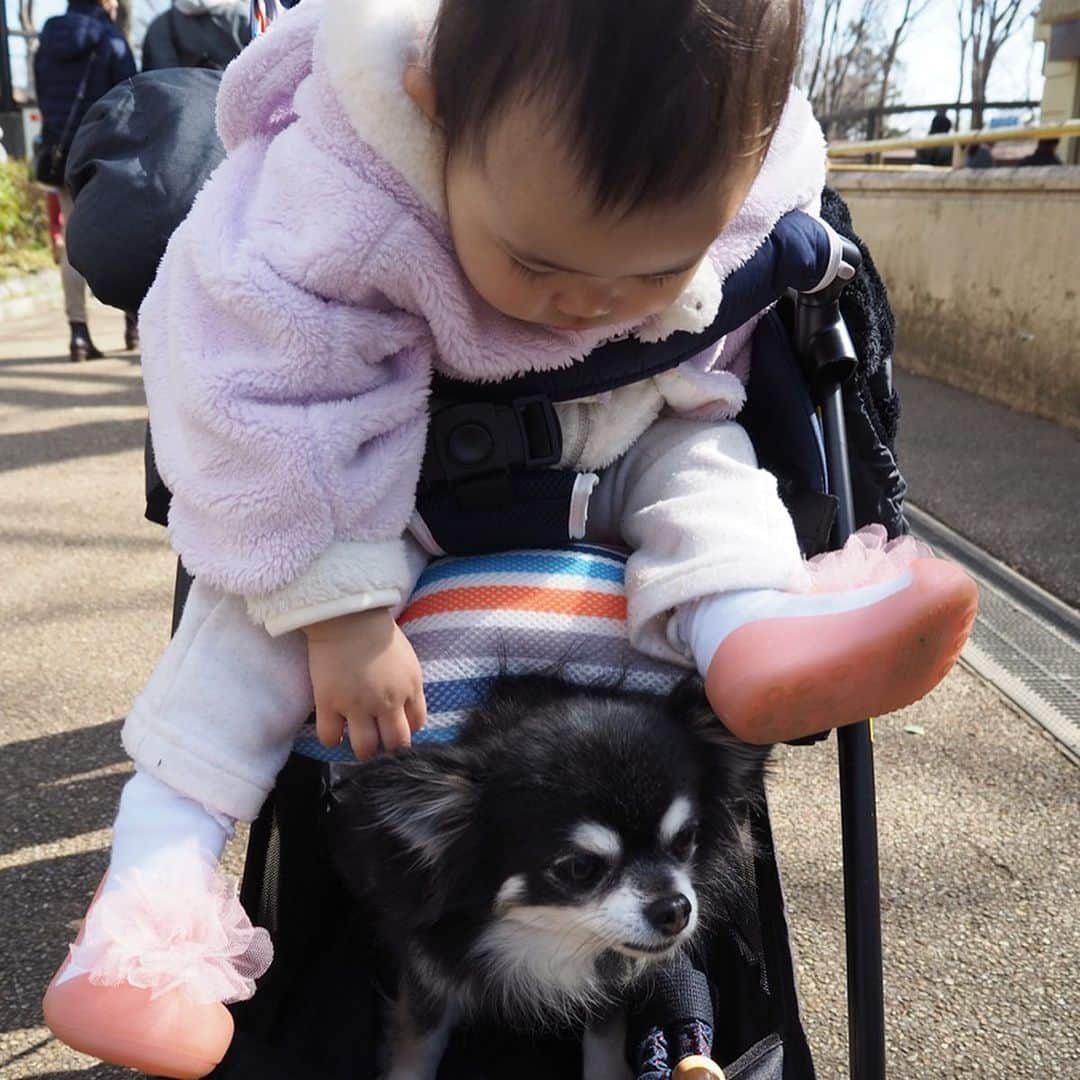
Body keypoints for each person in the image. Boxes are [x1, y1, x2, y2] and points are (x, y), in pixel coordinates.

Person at [43, 1, 976, 1075]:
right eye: (540, 266)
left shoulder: (751, 173)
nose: (587, 310)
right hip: (373, 485)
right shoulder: (330, 194)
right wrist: (338, 608)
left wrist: (655, 304)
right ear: (434, 110)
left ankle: (760, 632)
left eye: (651, 275)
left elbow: (723, 365)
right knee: (239, 622)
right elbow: (245, 399)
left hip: (634, 444)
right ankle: (149, 918)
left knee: (713, 474)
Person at [33, 0, 135, 362]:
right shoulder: (111, 40)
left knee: (72, 241)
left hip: (62, 156)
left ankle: (78, 333)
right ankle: (133, 323)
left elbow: (43, 98)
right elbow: (131, 95)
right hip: (108, 153)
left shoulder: (47, 39)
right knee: (126, 235)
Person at [141, 0, 249, 73]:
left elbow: (159, 82)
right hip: (237, 101)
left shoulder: (160, 26)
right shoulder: (246, 17)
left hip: (183, 102)